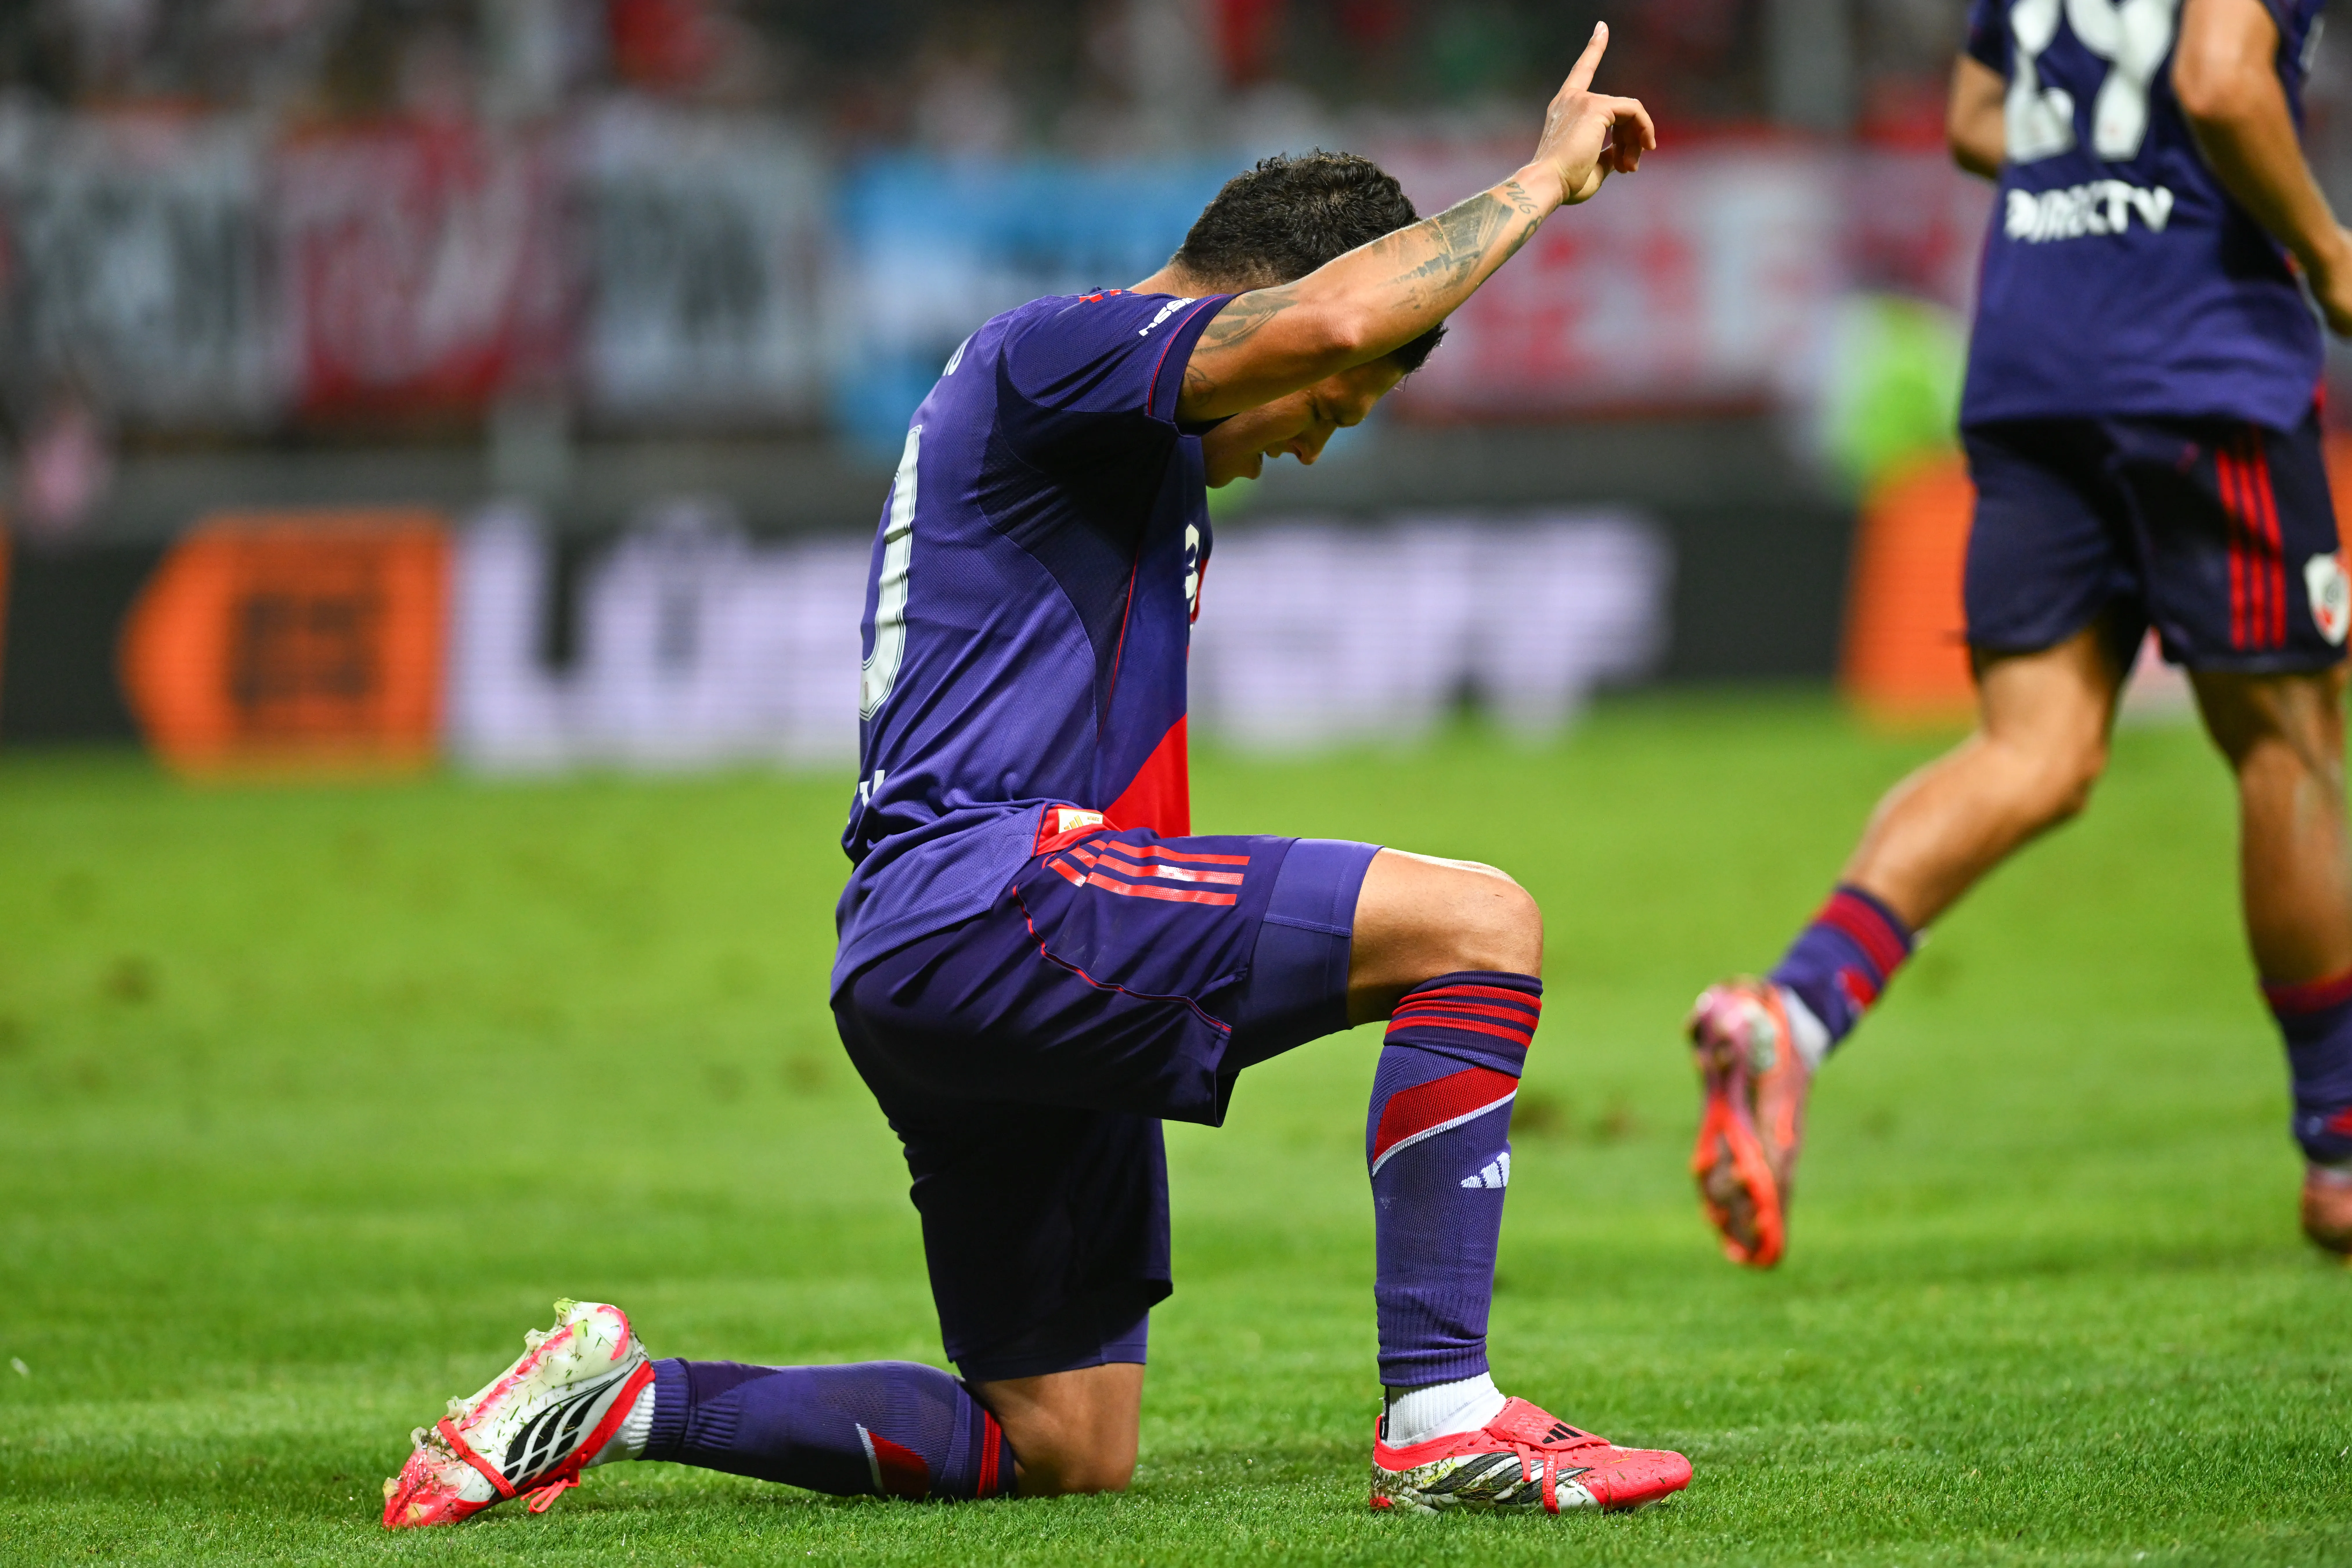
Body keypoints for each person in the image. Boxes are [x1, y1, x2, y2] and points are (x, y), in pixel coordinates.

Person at [383, 25, 1690, 1528]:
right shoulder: (1057, 349)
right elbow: (1330, 324)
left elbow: (1319, 340)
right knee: (1478, 924)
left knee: (1059, 1438)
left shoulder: (1116, 446)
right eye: (1332, 413)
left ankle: (621, 1395)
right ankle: (1447, 1415)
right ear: (1251, 302)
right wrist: (1536, 182)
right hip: (996, 896)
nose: (1318, 441)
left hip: (930, 951)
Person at [1688, 0, 2352, 1271]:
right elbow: (2219, 80)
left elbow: (1976, 120)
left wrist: (2097, 174)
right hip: (2196, 358)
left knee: (2032, 749)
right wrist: (2321, 249)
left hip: (2030, 356)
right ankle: (2336, 1152)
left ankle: (1797, 1011)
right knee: (2289, 743)